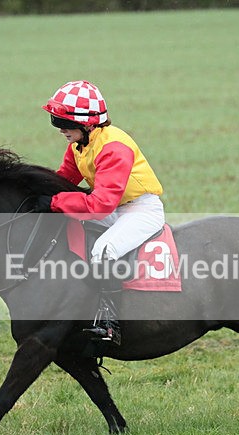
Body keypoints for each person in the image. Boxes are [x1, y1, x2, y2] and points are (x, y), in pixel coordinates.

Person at [36, 80, 165, 345]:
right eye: (55, 120)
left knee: (104, 251)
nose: (60, 129)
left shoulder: (114, 147)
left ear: (88, 123)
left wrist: (53, 203)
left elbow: (99, 205)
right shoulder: (79, 145)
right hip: (115, 208)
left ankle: (109, 323)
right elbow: (64, 179)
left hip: (140, 210)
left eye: (64, 123)